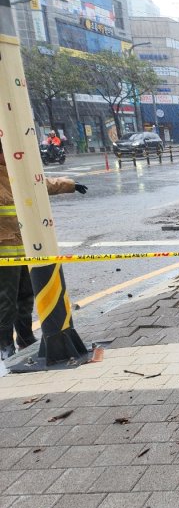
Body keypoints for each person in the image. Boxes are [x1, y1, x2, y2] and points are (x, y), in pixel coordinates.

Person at [0, 140, 87, 360]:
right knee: (6, 301)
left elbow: (41, 183)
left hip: (25, 248)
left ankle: (26, 338)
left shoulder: (16, 172)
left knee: (26, 297)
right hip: (4, 252)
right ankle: (4, 344)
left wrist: (70, 185)